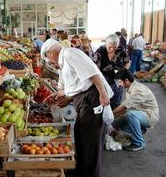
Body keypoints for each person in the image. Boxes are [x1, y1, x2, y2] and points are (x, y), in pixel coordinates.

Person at [41, 39, 113, 177]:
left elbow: (93, 74)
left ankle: (90, 173)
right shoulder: (63, 62)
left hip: (92, 98)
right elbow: (76, 85)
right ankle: (80, 170)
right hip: (82, 100)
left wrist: (103, 95)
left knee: (91, 140)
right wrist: (61, 96)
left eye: (48, 59)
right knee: (81, 135)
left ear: (50, 53)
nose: (50, 63)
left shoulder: (69, 54)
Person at [112, 69, 159, 151]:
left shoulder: (138, 90)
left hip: (150, 116)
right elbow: (125, 108)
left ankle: (139, 143)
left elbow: (124, 107)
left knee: (130, 115)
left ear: (126, 80)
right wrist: (111, 119)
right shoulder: (129, 89)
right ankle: (140, 129)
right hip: (140, 114)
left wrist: (110, 114)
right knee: (114, 123)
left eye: (120, 82)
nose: (119, 84)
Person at [93, 34, 130, 109]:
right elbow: (94, 69)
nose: (112, 49)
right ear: (106, 44)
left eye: (114, 47)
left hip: (118, 75)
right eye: (110, 47)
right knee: (106, 96)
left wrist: (124, 71)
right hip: (104, 76)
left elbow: (127, 62)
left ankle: (115, 110)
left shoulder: (121, 49)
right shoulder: (100, 52)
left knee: (117, 94)